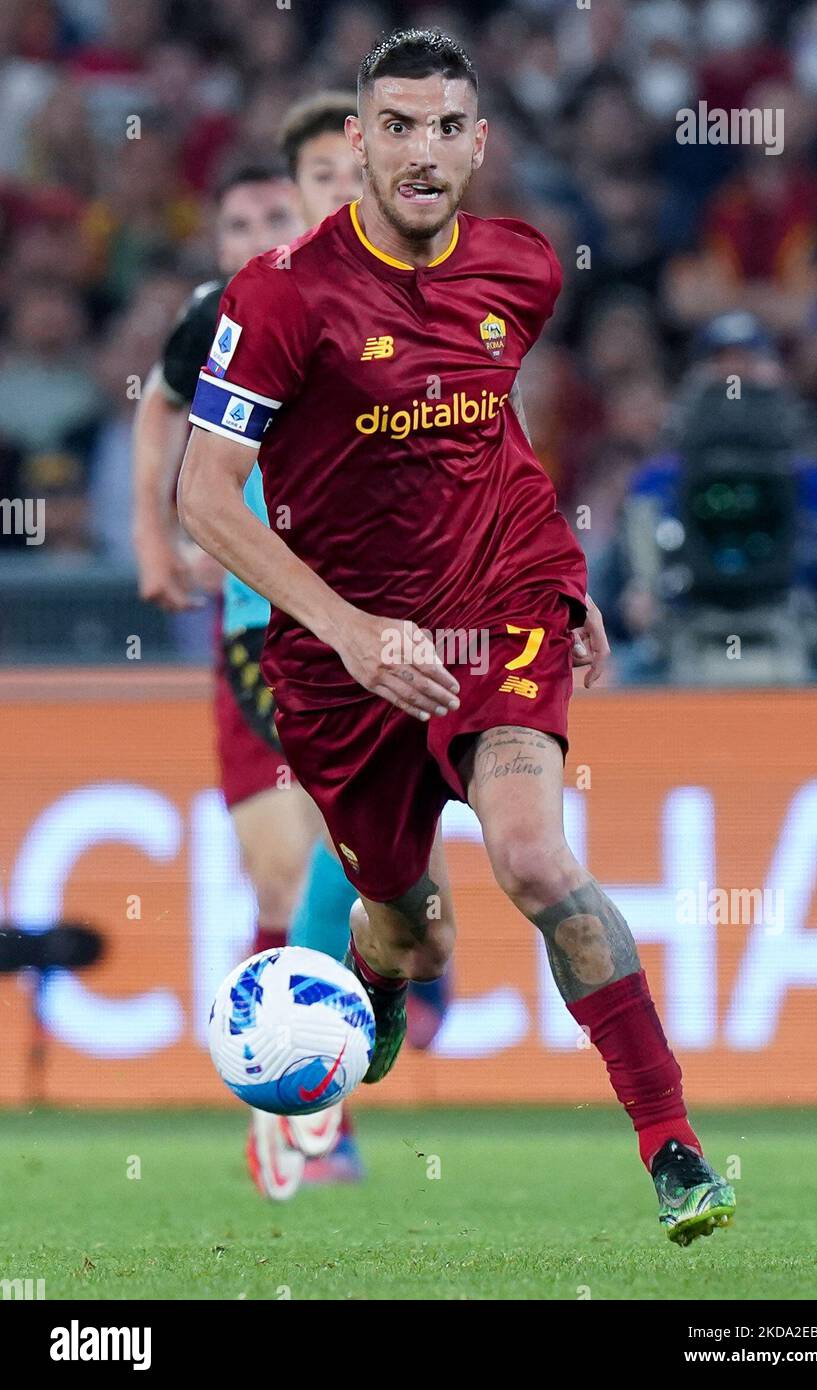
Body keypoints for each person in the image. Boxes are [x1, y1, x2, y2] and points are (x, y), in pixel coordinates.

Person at [178, 28, 736, 1245]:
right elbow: (203, 496)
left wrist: (559, 577)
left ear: (476, 145)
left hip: (497, 611)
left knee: (534, 857)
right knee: (408, 928)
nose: (423, 150)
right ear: (360, 143)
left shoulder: (524, 268)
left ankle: (672, 1145)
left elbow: (487, 439)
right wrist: (350, 628)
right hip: (340, 660)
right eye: (398, 126)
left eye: (447, 128)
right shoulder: (279, 296)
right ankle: (376, 977)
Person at [133, 96, 367, 1199]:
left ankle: (305, 1081)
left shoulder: (382, 299)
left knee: (350, 869)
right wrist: (151, 535)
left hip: (367, 620)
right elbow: (159, 411)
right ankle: (295, 1096)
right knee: (295, 865)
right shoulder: (235, 307)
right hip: (260, 628)